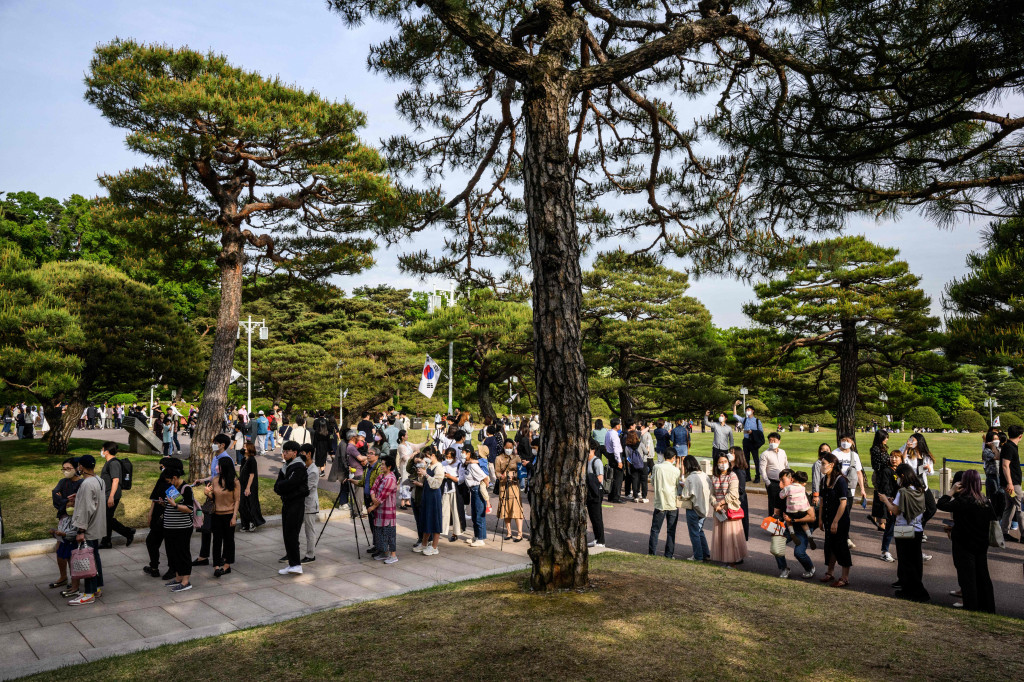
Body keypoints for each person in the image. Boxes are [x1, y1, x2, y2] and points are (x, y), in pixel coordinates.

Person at [937, 469, 996, 611]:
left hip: (964, 543)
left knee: (967, 577)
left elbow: (941, 504)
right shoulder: (985, 501)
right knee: (982, 575)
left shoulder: (963, 501)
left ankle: (971, 605)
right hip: (981, 542)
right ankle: (987, 606)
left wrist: (951, 491)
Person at [879, 463, 929, 602]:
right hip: (917, 527)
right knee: (915, 560)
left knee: (905, 560)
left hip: (903, 527)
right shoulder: (919, 489)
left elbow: (895, 511)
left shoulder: (903, 491)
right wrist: (892, 501)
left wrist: (885, 501)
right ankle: (913, 588)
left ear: (902, 476)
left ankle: (912, 590)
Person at [68, 454, 106, 605]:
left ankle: (89, 593)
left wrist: (80, 530)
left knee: (88, 558)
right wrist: (78, 497)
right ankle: (95, 587)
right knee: (94, 556)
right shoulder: (99, 480)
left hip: (89, 527)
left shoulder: (86, 484)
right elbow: (94, 500)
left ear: (81, 467)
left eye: (79, 465)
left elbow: (86, 508)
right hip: (97, 525)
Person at [193, 433, 234, 566]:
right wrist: (203, 480)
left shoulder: (226, 459)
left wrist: (213, 493)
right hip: (211, 495)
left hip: (218, 499)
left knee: (217, 531)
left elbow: (228, 481)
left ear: (222, 445)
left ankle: (222, 558)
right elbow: (214, 476)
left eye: (215, 442)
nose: (213, 444)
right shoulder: (216, 457)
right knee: (206, 527)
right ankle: (204, 556)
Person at [274, 440, 309, 575]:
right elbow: (277, 486)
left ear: (295, 453)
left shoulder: (298, 467)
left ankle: (296, 565)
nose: (284, 454)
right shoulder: (286, 467)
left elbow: (292, 484)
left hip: (296, 505)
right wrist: (283, 486)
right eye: (283, 451)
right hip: (287, 503)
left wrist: (283, 487)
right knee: (287, 534)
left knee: (292, 534)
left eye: (287, 451)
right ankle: (292, 563)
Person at [818, 453, 852, 588]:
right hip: (827, 518)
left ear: (831, 465)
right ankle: (830, 572)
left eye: (823, 463)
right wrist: (820, 519)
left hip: (840, 520)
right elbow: (821, 502)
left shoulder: (841, 480)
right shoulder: (823, 480)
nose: (821, 466)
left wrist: (835, 521)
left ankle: (844, 577)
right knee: (830, 546)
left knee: (841, 546)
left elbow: (843, 503)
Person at [161, 460, 196, 592]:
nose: (168, 484)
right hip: (170, 527)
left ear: (175, 478)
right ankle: (178, 577)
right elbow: (171, 505)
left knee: (183, 553)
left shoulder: (186, 489)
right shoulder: (172, 489)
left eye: (169, 481)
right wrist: (164, 503)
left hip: (182, 528)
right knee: (173, 553)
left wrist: (175, 505)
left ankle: (186, 581)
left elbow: (188, 509)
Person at [49, 457, 82, 593]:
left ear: (76, 469)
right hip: (64, 519)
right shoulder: (63, 482)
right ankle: (63, 577)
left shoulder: (82, 483)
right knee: (60, 548)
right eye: (64, 468)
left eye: (68, 468)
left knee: (72, 552)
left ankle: (75, 582)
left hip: (76, 521)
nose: (65, 471)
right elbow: (55, 496)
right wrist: (66, 502)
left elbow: (83, 501)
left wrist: (72, 502)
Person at [777, 469, 816, 579]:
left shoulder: (804, 494)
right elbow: (776, 514)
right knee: (777, 546)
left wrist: (793, 520)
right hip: (788, 525)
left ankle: (810, 568)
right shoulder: (782, 494)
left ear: (792, 479)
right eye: (779, 481)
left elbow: (812, 517)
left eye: (783, 481)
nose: (780, 484)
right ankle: (784, 569)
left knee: (798, 553)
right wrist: (775, 525)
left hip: (801, 526)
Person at [710, 453, 747, 567]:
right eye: (720, 462)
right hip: (719, 510)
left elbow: (734, 494)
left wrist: (721, 503)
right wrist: (715, 503)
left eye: (724, 461)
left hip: (729, 508)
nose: (722, 464)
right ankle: (724, 559)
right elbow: (711, 493)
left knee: (730, 537)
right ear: (716, 463)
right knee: (721, 536)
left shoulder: (733, 476)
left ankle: (732, 561)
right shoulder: (714, 476)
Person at [831, 435, 868, 548]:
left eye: (848, 440)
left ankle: (844, 537)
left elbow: (859, 472)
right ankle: (842, 538)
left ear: (852, 442)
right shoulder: (835, 453)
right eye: (843, 440)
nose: (845, 442)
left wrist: (862, 488)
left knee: (846, 514)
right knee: (837, 513)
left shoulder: (854, 455)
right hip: (837, 487)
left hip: (850, 488)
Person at [143, 457, 176, 580]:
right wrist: (151, 513)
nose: (161, 468)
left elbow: (176, 501)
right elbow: (155, 497)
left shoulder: (172, 483)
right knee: (152, 541)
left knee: (168, 544)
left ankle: (172, 568)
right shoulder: (163, 479)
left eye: (162, 466)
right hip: (158, 515)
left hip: (167, 516)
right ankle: (154, 567)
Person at [99, 441, 135, 549]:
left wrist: (111, 497)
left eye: (102, 449)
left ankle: (128, 533)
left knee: (107, 518)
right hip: (108, 494)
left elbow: (115, 480)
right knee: (107, 518)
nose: (101, 451)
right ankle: (107, 541)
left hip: (112, 495)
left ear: (107, 451)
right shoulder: (109, 462)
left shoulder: (113, 463)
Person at [209, 457, 240, 577]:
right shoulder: (215, 480)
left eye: (219, 466)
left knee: (228, 540)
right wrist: (208, 494)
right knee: (216, 541)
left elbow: (237, 500)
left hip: (229, 515)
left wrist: (234, 516)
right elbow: (214, 498)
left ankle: (227, 565)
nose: (216, 467)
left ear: (225, 467)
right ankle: (216, 566)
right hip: (216, 514)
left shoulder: (234, 481)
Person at [648, 449, 682, 559]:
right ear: (673, 458)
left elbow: (652, 482)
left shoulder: (656, 467)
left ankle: (652, 552)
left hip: (660, 502)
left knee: (655, 529)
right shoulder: (676, 470)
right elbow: (678, 485)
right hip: (672, 502)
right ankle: (669, 554)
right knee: (671, 531)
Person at [679, 455, 713, 561]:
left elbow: (686, 495)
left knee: (694, 533)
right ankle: (705, 553)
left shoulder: (690, 478)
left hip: (694, 508)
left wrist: (683, 487)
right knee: (700, 531)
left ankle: (698, 556)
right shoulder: (705, 475)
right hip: (704, 507)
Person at [368, 455, 399, 564]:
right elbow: (373, 488)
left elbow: (382, 497)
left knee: (389, 533)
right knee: (380, 532)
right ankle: (384, 552)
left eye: (383, 464)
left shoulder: (391, 479)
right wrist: (373, 497)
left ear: (389, 467)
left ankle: (393, 555)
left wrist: (372, 507)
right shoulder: (381, 476)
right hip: (380, 511)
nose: (381, 466)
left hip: (388, 511)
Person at [414, 447, 444, 555]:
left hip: (434, 495)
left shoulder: (439, 467)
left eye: (427, 456)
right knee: (426, 519)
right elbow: (424, 480)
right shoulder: (429, 466)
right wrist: (421, 474)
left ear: (433, 456)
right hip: (426, 494)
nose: (426, 458)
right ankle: (424, 543)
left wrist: (426, 474)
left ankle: (435, 546)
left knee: (435, 519)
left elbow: (436, 483)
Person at [876, 449, 903, 563]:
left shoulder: (903, 470)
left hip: (902, 502)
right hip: (892, 502)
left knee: (903, 528)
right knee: (890, 527)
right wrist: (888, 503)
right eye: (892, 457)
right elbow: (885, 488)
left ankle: (908, 550)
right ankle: (885, 551)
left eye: (896, 457)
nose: (893, 459)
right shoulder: (887, 471)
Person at [495, 438, 525, 541]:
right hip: (503, 486)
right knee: (506, 509)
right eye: (507, 448)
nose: (509, 449)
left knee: (517, 509)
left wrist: (514, 475)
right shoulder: (498, 458)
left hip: (514, 485)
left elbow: (521, 472)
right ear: (504, 447)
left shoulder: (517, 458)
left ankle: (520, 533)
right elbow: (497, 472)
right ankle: (509, 532)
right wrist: (501, 476)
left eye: (510, 448)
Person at [999, 425, 1023, 539]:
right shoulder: (1010, 447)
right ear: (1020, 436)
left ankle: (1004, 532)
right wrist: (1010, 483)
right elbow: (1005, 465)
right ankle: (1023, 534)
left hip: (1009, 484)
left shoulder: (1008, 446)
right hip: (1013, 485)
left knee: (1010, 507)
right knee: (1020, 507)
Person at [297, 443, 319, 564]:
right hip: (302, 504)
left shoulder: (313, 471)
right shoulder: (305, 467)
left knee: (309, 531)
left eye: (302, 453)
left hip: (309, 505)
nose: (301, 456)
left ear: (309, 454)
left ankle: (311, 554)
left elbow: (306, 488)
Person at [733, 400, 765, 483]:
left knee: (756, 459)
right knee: (746, 459)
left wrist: (752, 432)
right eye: (746, 410)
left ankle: (757, 476)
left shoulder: (757, 421)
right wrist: (735, 405)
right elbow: (735, 415)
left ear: (753, 411)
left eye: (749, 410)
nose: (748, 411)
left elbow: (761, 432)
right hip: (746, 441)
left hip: (753, 442)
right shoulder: (745, 420)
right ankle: (748, 476)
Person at [238, 442, 265, 532]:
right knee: (242, 505)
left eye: (245, 447)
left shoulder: (252, 460)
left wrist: (248, 487)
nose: (243, 449)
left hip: (250, 486)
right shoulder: (243, 460)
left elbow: (252, 475)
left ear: (249, 449)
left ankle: (252, 522)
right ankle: (244, 523)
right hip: (242, 484)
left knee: (251, 504)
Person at [464, 449, 489, 546]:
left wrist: (486, 485)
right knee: (474, 515)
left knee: (479, 514)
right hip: (473, 490)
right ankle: (477, 536)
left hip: (477, 490)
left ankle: (481, 538)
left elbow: (484, 476)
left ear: (469, 453)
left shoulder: (473, 465)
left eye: (464, 452)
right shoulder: (469, 464)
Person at [760, 432, 789, 517]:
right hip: (772, 482)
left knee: (784, 503)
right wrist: (768, 483)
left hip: (784, 482)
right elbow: (762, 469)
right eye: (770, 440)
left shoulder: (783, 452)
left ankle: (783, 525)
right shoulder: (765, 454)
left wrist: (790, 478)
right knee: (773, 504)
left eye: (774, 440)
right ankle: (772, 526)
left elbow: (786, 465)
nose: (772, 442)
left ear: (779, 441)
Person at [868, 430, 891, 531]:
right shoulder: (876, 449)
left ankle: (877, 518)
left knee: (880, 497)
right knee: (882, 497)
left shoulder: (881, 448)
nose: (887, 439)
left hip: (882, 475)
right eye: (885, 437)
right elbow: (878, 465)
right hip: (880, 476)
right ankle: (881, 522)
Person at [585, 438, 606, 548]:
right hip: (589, 492)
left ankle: (601, 541)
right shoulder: (586, 461)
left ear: (592, 449)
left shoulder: (596, 461)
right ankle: (597, 538)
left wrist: (589, 479)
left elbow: (600, 478)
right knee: (592, 516)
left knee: (597, 517)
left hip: (596, 492)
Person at [729, 445, 752, 540]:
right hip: (733, 498)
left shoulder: (739, 471)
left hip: (739, 499)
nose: (729, 454)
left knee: (740, 519)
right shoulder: (731, 468)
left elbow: (741, 489)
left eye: (732, 453)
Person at [440, 448, 463, 542]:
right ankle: (442, 530)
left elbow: (461, 479)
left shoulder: (458, 464)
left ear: (454, 457)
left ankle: (456, 532)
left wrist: (450, 477)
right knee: (444, 510)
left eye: (450, 457)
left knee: (455, 511)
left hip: (454, 489)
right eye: (447, 457)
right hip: (445, 489)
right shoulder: (443, 464)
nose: (448, 459)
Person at [604, 419, 625, 502]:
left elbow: (606, 445)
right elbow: (616, 448)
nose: (620, 426)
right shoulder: (614, 435)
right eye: (619, 424)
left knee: (612, 477)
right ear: (616, 425)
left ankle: (611, 496)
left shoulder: (608, 433)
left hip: (610, 455)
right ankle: (616, 497)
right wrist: (619, 461)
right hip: (616, 456)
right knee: (618, 477)